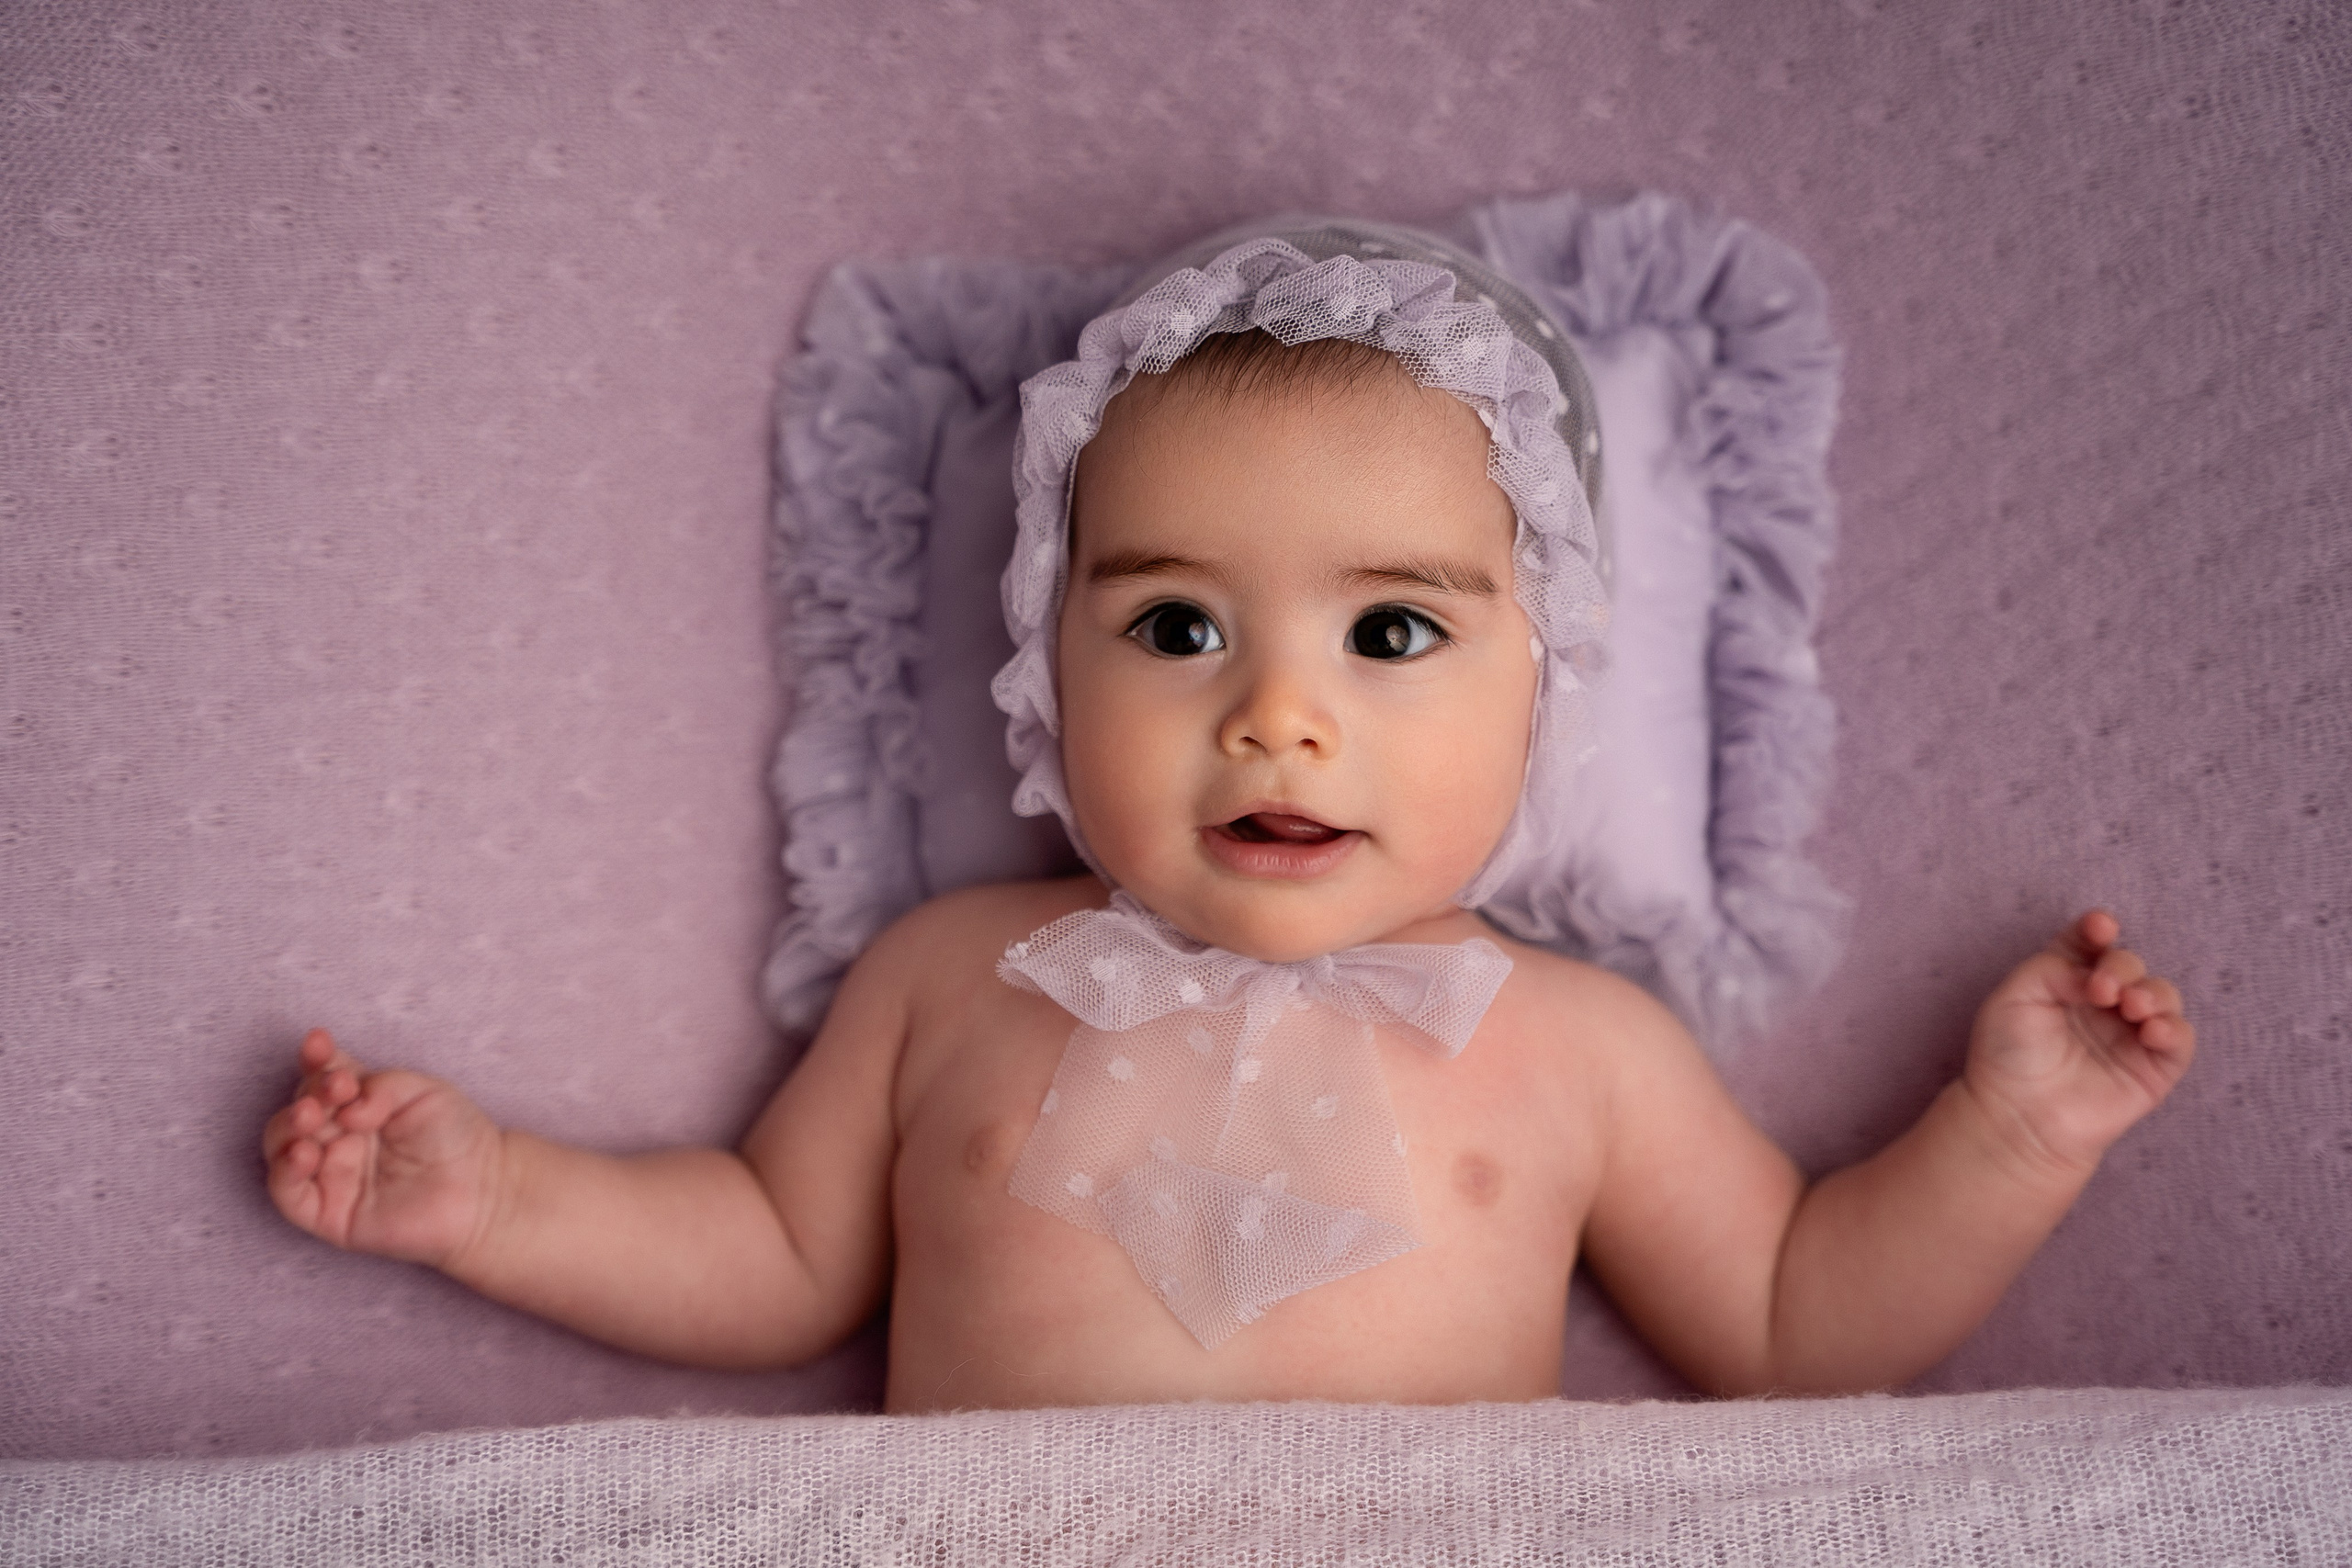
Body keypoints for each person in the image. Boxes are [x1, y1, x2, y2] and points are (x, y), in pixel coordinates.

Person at [263, 225, 2196, 1411]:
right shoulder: (958, 977)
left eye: (1389, 629)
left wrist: (2004, 1131)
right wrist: (500, 1199)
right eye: (1177, 625)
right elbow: (775, 1253)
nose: (1277, 713)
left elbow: (1789, 1321)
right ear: (1044, 662)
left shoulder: (1575, 1047)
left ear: (1548, 682)